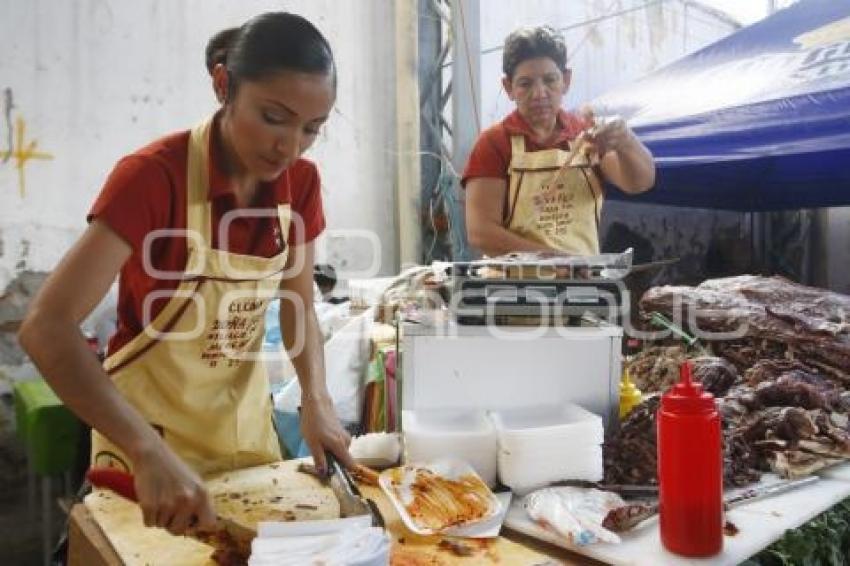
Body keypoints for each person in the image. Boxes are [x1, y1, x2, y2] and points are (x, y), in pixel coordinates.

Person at [18, 12, 355, 536]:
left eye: (311, 129)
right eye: (273, 117)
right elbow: (45, 327)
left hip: (245, 445)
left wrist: (317, 398)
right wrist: (144, 450)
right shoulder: (154, 177)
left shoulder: (300, 184)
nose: (289, 148)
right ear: (223, 85)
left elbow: (298, 303)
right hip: (146, 452)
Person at [463, 25, 656, 257]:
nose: (539, 93)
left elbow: (639, 183)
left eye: (550, 80)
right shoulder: (494, 143)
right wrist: (554, 260)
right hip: (513, 287)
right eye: (525, 84)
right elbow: (481, 233)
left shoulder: (588, 135)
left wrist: (626, 141)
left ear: (566, 80)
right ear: (508, 88)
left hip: (583, 285)